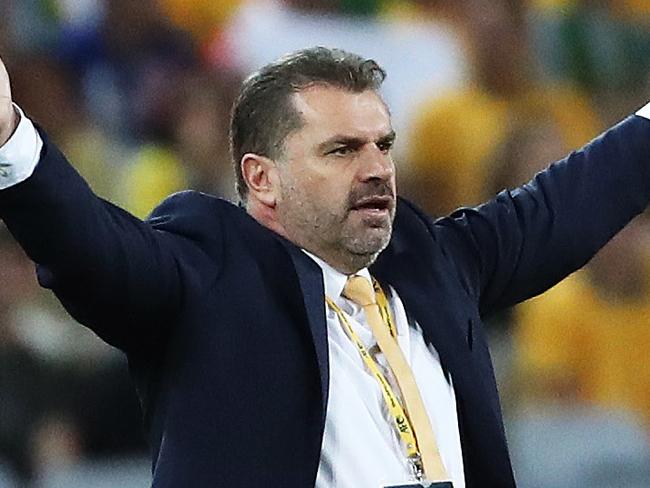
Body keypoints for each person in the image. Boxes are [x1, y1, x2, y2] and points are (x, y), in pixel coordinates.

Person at [0, 47, 649, 488]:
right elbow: (93, 249)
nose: (375, 169)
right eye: (341, 150)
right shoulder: (211, 271)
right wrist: (8, 136)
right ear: (263, 179)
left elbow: (562, 208)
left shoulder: (430, 260)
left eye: (382, 146)